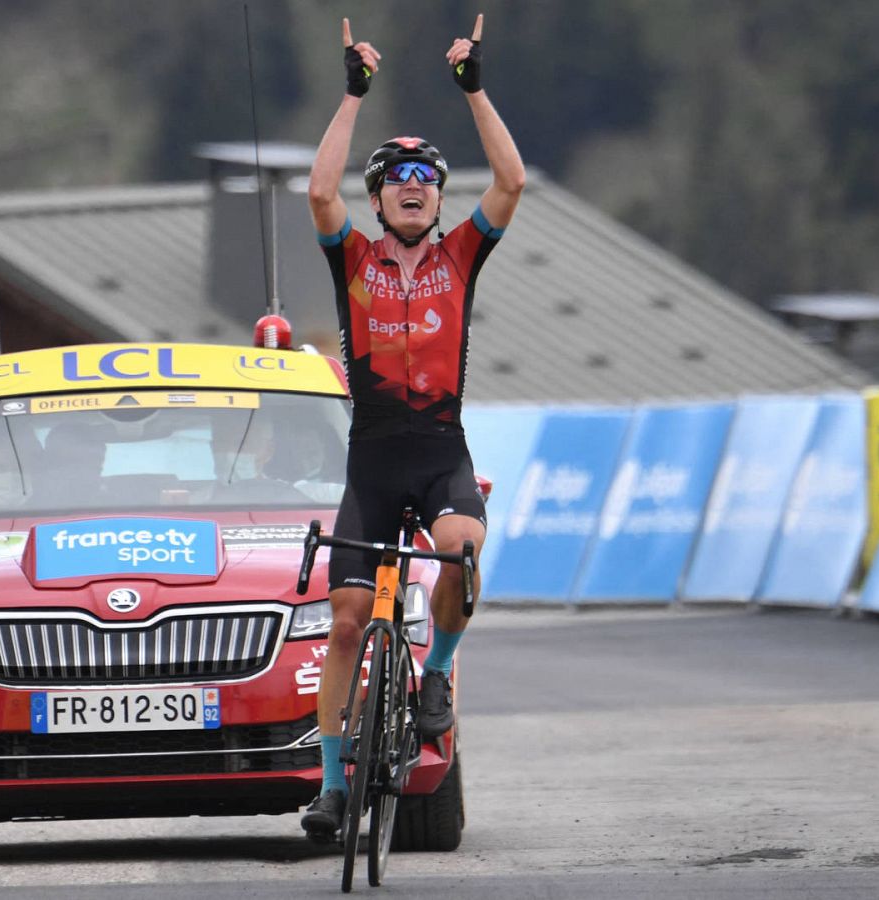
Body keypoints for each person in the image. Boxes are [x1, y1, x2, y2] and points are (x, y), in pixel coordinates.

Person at [300, 14, 524, 841]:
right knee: (350, 621)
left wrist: (474, 90)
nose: (413, 183)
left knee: (461, 552)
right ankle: (329, 787)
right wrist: (351, 96)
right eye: (397, 176)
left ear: (437, 193)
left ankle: (435, 675)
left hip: (439, 450)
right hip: (372, 458)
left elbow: (511, 180)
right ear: (380, 195)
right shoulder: (351, 259)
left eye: (426, 175)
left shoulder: (461, 254)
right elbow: (318, 191)